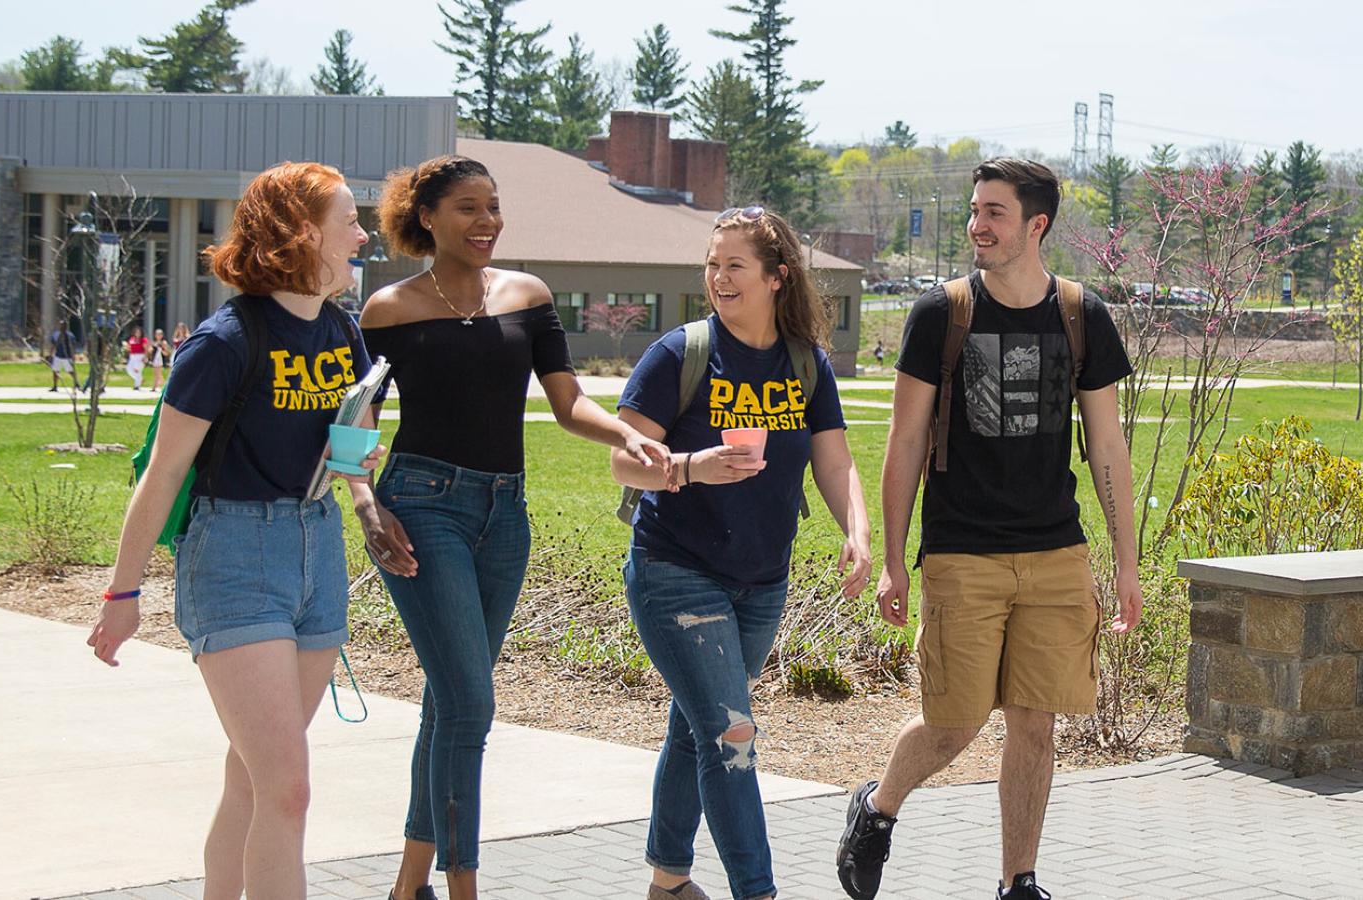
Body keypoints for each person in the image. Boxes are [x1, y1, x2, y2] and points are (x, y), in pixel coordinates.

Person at [354, 155, 672, 900]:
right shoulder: (387, 310)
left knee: (451, 697)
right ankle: (461, 883)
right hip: (421, 506)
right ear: (427, 217)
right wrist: (367, 506)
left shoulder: (527, 297)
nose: (487, 222)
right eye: (468, 208)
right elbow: (354, 426)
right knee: (470, 701)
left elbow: (567, 404)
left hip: (506, 515)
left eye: (493, 207)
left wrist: (624, 435)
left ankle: (407, 886)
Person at [835, 159, 1142, 900]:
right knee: (953, 722)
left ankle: (1018, 882)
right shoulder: (940, 314)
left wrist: (1125, 564)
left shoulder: (1081, 315)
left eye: (995, 212)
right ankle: (876, 810)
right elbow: (905, 441)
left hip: (1054, 552)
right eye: (975, 211)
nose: (979, 225)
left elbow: (1106, 445)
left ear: (1036, 224)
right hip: (963, 550)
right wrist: (893, 561)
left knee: (1036, 725)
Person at [86, 161, 382, 900]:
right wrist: (123, 593)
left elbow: (349, 446)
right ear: (305, 232)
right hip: (233, 556)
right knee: (289, 789)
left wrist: (363, 483)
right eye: (349, 219)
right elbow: (161, 474)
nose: (362, 233)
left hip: (316, 548)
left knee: (255, 783)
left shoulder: (345, 331)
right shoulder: (221, 343)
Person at [612, 206, 873, 900]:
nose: (718, 278)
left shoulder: (804, 363)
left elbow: (836, 462)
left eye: (735, 265)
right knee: (730, 735)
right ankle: (758, 892)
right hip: (676, 570)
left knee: (695, 724)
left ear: (777, 277)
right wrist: (693, 465)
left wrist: (858, 529)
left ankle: (668, 881)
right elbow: (624, 462)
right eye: (712, 263)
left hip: (762, 580)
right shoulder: (681, 353)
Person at [47, 319, 76, 392]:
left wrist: (73, 356)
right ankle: (55, 386)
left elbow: (72, 346)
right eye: (61, 325)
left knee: (70, 371)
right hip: (58, 356)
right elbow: (53, 345)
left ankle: (76, 383)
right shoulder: (56, 334)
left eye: (64, 325)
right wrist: (50, 355)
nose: (62, 327)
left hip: (67, 356)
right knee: (55, 371)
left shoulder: (70, 335)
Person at [125, 325, 149, 390]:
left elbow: (146, 349)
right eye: (136, 332)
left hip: (140, 356)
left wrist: (145, 357)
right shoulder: (132, 339)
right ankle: (140, 379)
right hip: (132, 356)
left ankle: (136, 386)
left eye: (139, 332)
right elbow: (129, 347)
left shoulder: (143, 339)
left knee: (137, 370)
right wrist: (127, 347)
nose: (138, 333)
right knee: (129, 369)